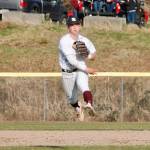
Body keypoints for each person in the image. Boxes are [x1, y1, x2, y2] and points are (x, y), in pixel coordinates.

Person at [58, 16, 97, 121]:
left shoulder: (84, 40)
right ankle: (78, 107)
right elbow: (72, 61)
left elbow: (94, 53)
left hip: (80, 70)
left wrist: (88, 55)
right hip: (68, 72)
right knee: (72, 99)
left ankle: (89, 104)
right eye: (72, 25)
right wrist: (87, 69)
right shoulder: (64, 41)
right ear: (68, 27)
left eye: (76, 25)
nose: (74, 27)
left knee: (84, 86)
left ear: (80, 26)